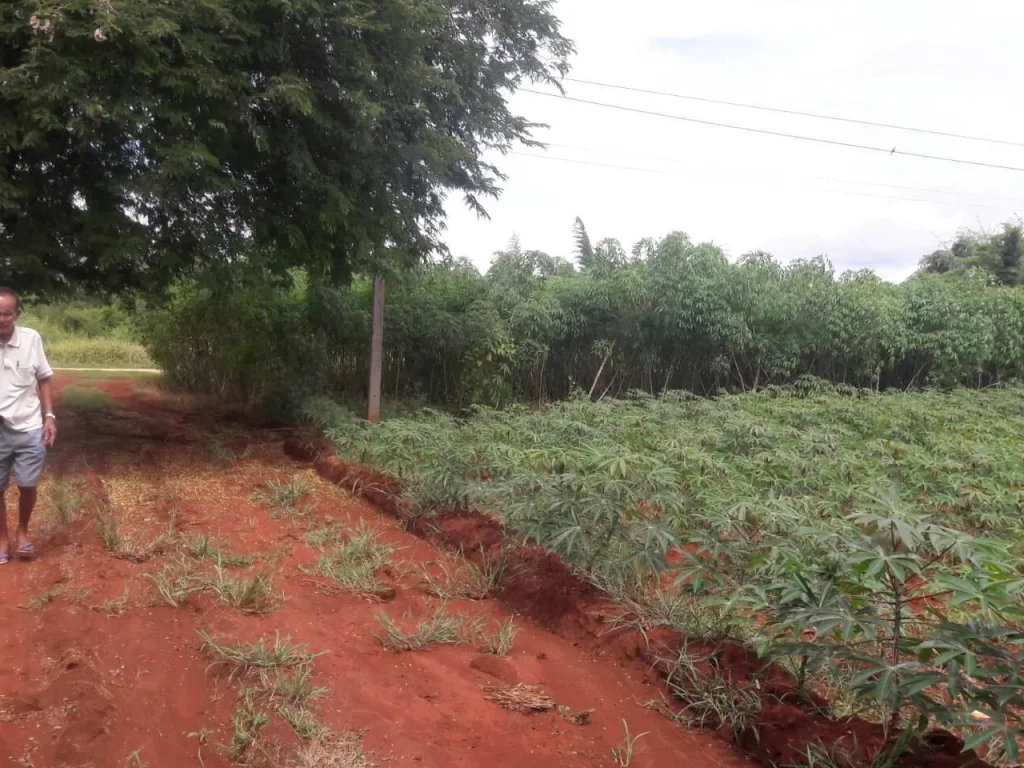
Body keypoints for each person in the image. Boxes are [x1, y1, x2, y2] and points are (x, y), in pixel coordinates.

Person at [0, 288, 57, 564]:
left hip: (28, 427)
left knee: (27, 484)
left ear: (16, 314)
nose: (1, 319)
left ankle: (23, 531)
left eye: (6, 313)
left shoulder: (31, 339)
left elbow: (44, 378)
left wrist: (50, 417)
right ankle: (2, 538)